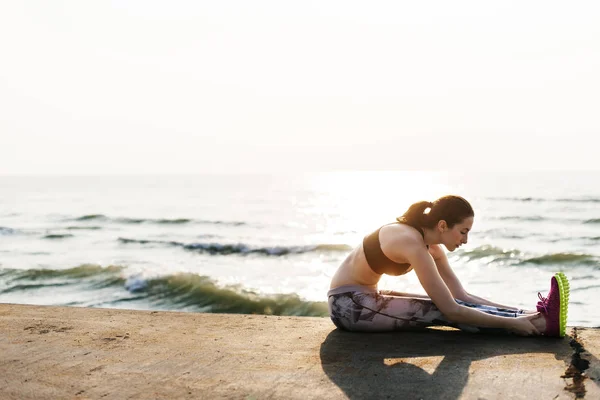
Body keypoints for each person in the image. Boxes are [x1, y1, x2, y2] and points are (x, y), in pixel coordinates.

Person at [328, 195, 568, 337]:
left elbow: (461, 295)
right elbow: (450, 309)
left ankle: (537, 317)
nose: (465, 240)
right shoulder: (411, 243)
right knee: (439, 309)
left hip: (368, 297)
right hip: (347, 306)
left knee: (449, 304)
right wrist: (510, 324)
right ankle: (540, 326)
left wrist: (518, 312)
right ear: (443, 225)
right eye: (463, 232)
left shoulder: (431, 247)